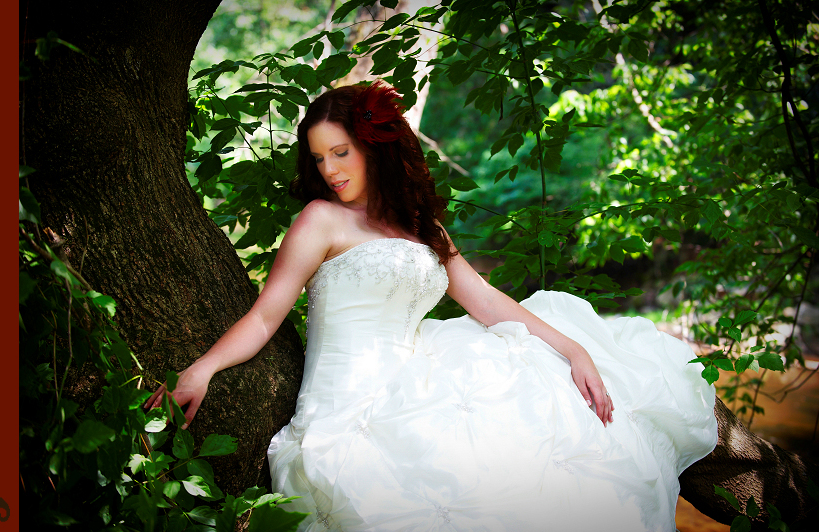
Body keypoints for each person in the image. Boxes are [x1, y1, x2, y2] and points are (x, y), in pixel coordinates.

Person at [145, 81, 717, 531]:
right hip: (351, 407)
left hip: (419, 381)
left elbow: (487, 301)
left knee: (544, 434)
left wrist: (574, 350)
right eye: (318, 159)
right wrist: (203, 367)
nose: (330, 170)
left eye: (340, 153)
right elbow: (267, 315)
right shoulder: (320, 220)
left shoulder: (422, 227)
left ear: (373, 145)